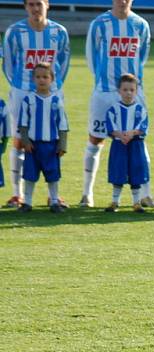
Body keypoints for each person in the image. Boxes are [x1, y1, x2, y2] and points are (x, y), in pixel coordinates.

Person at [81, 0, 154, 208]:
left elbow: (142, 57)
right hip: (104, 91)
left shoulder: (141, 25)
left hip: (133, 92)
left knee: (138, 141)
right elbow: (91, 55)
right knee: (96, 139)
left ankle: (145, 194)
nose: (122, 1)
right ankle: (87, 194)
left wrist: (132, 85)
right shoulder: (99, 23)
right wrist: (102, 80)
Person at [2, 0, 69, 209]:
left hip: (52, 91)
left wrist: (54, 86)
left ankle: (53, 194)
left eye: (39, 4)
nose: (35, 8)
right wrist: (19, 86)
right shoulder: (14, 32)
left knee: (53, 141)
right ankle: (17, 194)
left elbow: (64, 62)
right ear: (25, 7)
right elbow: (8, 64)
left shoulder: (59, 32)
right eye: (30, 4)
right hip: (22, 91)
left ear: (47, 5)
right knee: (20, 140)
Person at [16, 62, 68, 213]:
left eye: (45, 77)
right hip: (33, 146)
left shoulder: (56, 101)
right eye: (38, 77)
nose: (42, 80)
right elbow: (23, 123)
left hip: (51, 145)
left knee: (53, 175)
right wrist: (25, 141)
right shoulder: (28, 100)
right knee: (30, 175)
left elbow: (62, 124)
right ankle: (27, 202)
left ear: (52, 79)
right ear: (33, 79)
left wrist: (62, 145)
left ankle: (54, 201)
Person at [103, 73, 150, 213]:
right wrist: (119, 134)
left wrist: (132, 134)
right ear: (119, 91)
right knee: (118, 171)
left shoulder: (141, 110)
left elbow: (143, 127)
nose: (128, 93)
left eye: (132, 90)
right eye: (125, 90)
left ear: (136, 91)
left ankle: (136, 203)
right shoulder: (113, 109)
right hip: (119, 145)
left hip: (135, 145)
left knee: (136, 172)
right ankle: (115, 202)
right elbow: (110, 127)